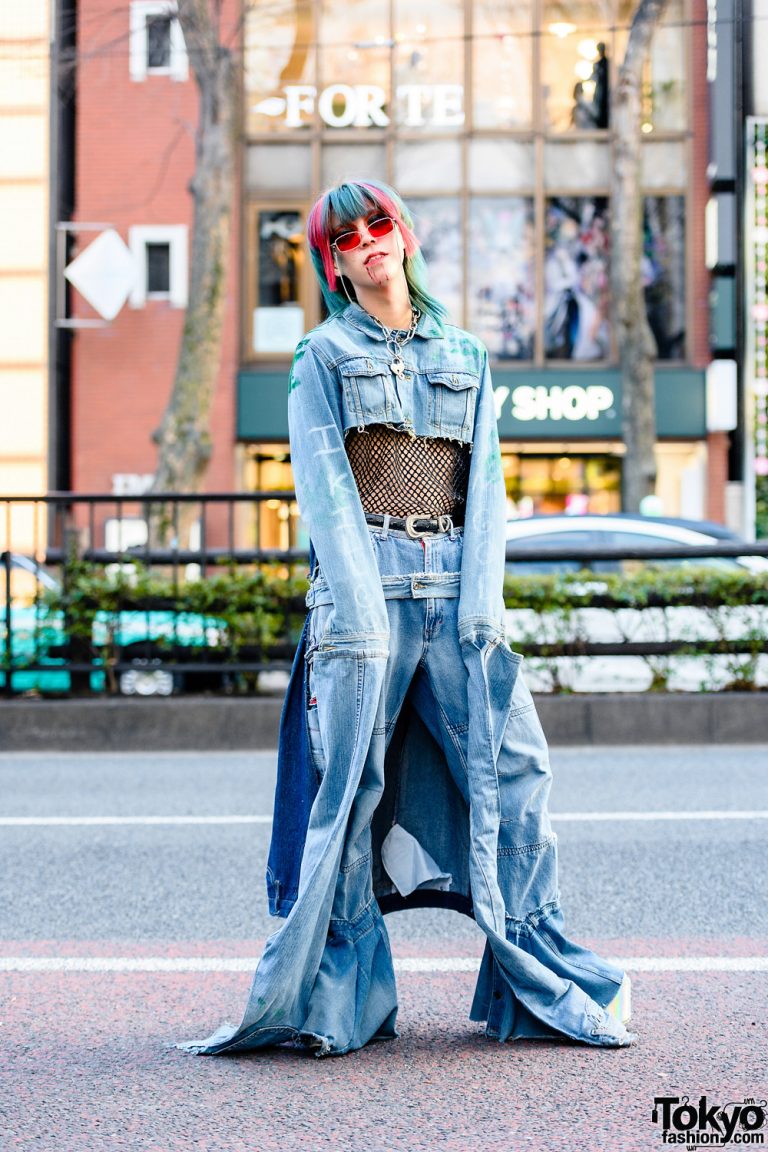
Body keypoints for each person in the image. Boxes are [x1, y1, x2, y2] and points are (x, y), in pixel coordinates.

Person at [177, 179, 635, 1058]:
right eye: (346, 237)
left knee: (516, 774)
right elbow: (325, 487)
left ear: (405, 237)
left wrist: (483, 608)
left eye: (379, 225)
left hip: (453, 582)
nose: (368, 241)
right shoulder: (320, 355)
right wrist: (360, 621)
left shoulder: (462, 351)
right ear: (334, 263)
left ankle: (539, 982)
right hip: (366, 594)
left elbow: (487, 486)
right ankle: (342, 1002)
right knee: (348, 796)